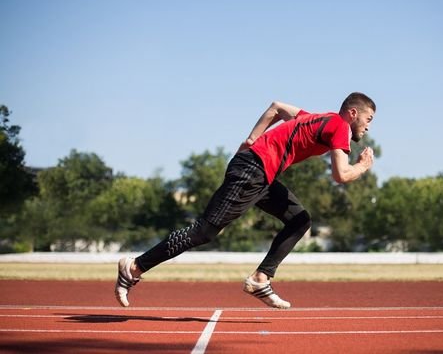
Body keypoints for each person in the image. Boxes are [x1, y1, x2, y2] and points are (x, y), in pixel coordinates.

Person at [115, 92, 376, 309]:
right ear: (352, 113)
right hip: (253, 170)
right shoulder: (340, 126)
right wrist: (363, 166)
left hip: (260, 174)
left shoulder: (319, 118)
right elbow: (340, 174)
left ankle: (260, 279)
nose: (368, 126)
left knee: (299, 220)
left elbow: (276, 107)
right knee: (203, 231)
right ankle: (135, 266)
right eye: (368, 119)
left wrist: (251, 139)